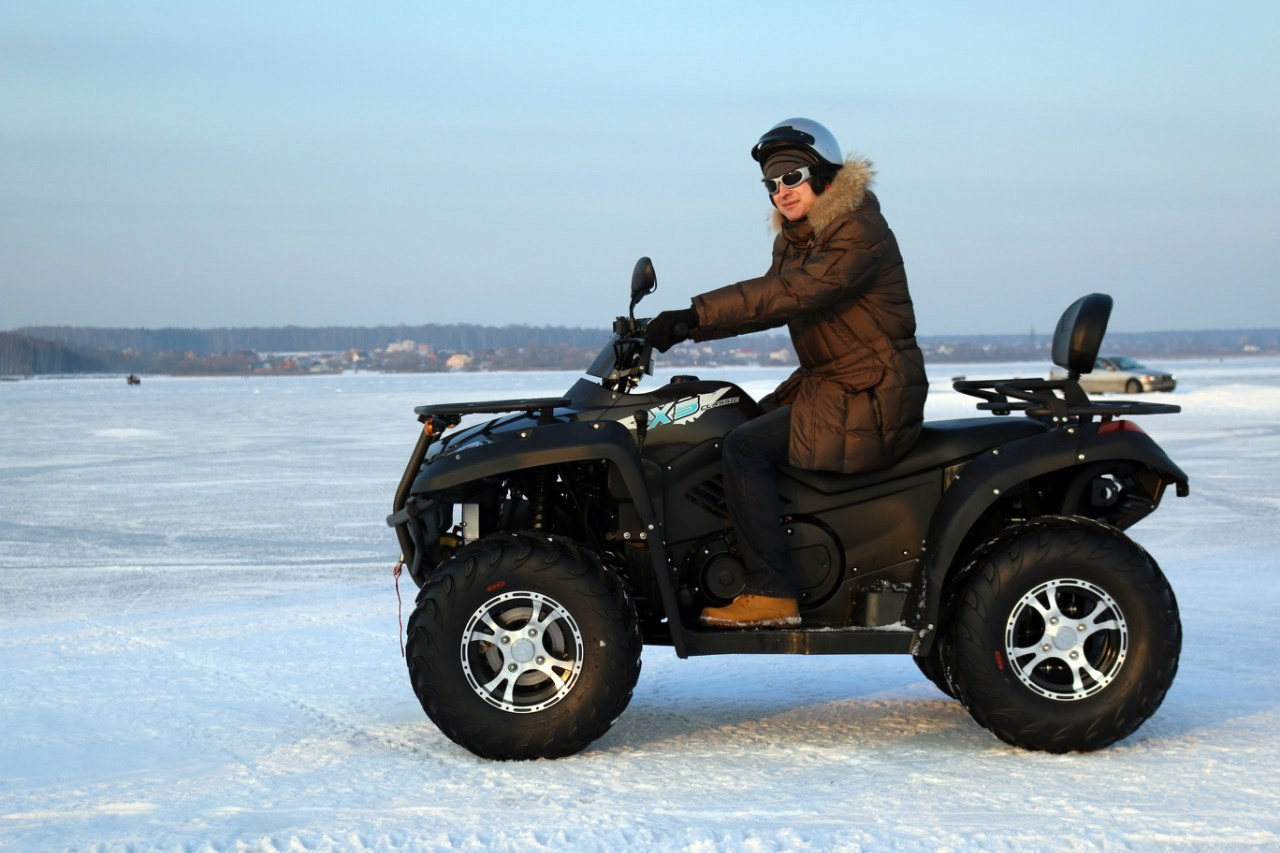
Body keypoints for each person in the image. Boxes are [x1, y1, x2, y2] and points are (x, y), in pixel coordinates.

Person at [645, 118, 928, 629]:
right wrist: (678, 328)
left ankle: (773, 591)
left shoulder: (858, 230)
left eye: (792, 177)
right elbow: (764, 301)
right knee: (731, 421)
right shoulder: (800, 239)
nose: (781, 192)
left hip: (872, 395)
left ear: (823, 175)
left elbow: (789, 295)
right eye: (771, 184)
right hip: (835, 387)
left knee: (745, 447)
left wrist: (692, 317)